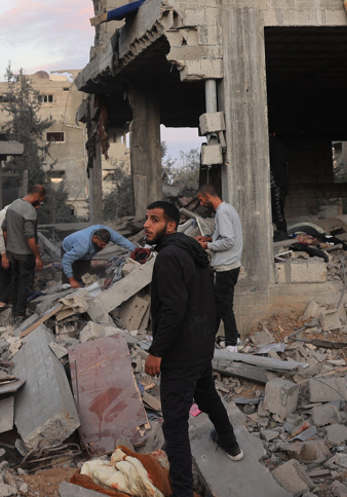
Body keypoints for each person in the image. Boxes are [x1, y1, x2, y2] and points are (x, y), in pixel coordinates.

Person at [142, 200, 243, 497]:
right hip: (198, 348)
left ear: (170, 226)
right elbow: (213, 302)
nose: (146, 225)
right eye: (147, 219)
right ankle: (230, 443)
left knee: (174, 426)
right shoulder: (192, 252)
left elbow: (173, 309)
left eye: (154, 220)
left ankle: (183, 491)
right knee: (208, 396)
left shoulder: (169, 257)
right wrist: (204, 340)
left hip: (179, 354)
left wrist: (157, 350)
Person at [196, 184, 244, 351]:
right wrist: (208, 239)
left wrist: (206, 247)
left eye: (201, 200)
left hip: (226, 266)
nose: (201, 204)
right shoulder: (227, 209)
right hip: (230, 265)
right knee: (220, 305)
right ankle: (231, 338)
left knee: (224, 306)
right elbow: (224, 236)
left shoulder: (223, 212)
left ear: (208, 197)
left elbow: (228, 241)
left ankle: (232, 345)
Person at [1, 185, 47, 317]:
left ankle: (15, 309)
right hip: (24, 254)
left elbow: (4, 228)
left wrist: (8, 244)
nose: (40, 203)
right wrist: (37, 256)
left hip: (11, 252)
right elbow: (30, 236)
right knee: (24, 283)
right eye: (41, 199)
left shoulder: (13, 205)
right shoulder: (29, 210)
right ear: (37, 196)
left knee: (15, 280)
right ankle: (20, 313)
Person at [61, 224, 137, 288]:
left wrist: (136, 250)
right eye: (102, 244)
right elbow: (66, 260)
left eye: (105, 245)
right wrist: (71, 280)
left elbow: (121, 240)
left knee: (83, 278)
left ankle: (80, 286)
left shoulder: (107, 232)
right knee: (69, 281)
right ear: (94, 238)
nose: (104, 247)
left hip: (86, 256)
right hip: (68, 248)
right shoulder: (82, 247)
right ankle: (66, 288)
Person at [269, 134, 289, 240]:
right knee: (277, 213)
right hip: (279, 185)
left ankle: (282, 237)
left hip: (276, 185)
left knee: (277, 214)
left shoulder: (273, 145)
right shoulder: (279, 146)